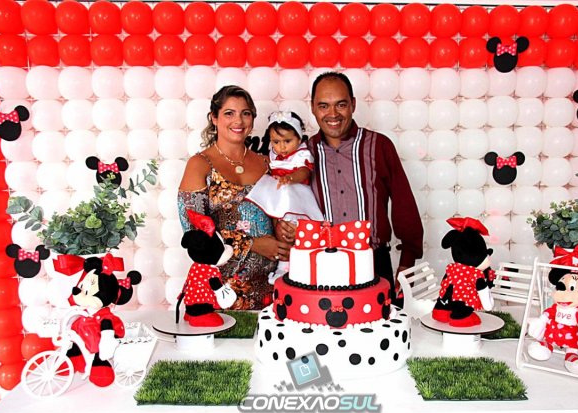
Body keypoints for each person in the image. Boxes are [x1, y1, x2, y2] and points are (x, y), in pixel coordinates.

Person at [276, 72, 424, 306]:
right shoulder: (302, 154)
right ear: (313, 108)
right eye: (323, 106)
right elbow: (286, 202)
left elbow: (403, 203)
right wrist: (284, 227)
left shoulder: (379, 146)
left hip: (374, 263)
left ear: (353, 104)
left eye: (341, 104)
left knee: (379, 327)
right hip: (319, 267)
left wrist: (407, 260)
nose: (333, 114)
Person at [178, 85, 292, 310]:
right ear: (214, 117)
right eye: (229, 113)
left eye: (245, 113)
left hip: (270, 287)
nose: (238, 121)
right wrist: (252, 244)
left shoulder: (267, 162)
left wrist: (287, 230)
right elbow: (194, 235)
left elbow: (281, 211)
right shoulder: (200, 164)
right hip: (220, 290)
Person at [246, 111, 324, 283]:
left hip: (295, 194)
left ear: (299, 138)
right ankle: (283, 264)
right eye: (276, 142)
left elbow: (304, 171)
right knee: (278, 227)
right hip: (278, 193)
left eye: (287, 141)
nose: (281, 147)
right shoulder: (273, 154)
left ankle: (293, 265)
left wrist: (290, 178)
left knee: (290, 229)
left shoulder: (301, 154)